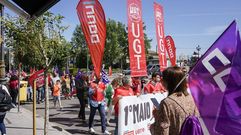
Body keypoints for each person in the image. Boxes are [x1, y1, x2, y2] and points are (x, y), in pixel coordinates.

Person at [150, 66, 199, 135]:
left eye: (163, 79)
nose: (161, 81)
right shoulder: (190, 97)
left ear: (168, 82)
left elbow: (161, 132)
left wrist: (157, 118)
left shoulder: (167, 103)